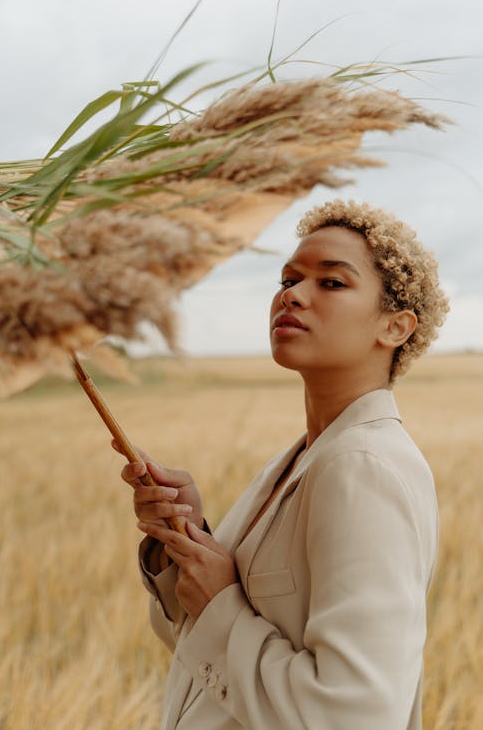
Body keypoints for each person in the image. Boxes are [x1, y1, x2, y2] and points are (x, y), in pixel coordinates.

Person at [114, 199, 449, 730]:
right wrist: (183, 536)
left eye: (331, 283)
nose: (292, 294)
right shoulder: (302, 458)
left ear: (396, 327)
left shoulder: (363, 467)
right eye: (288, 278)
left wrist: (221, 603)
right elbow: (195, 635)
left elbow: (356, 714)